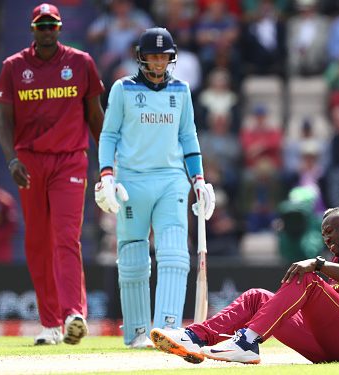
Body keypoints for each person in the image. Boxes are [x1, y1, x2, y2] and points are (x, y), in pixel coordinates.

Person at [94, 27, 216, 348]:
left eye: (164, 57)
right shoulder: (122, 89)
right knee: (133, 259)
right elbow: (109, 135)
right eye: (153, 56)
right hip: (131, 180)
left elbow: (188, 138)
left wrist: (199, 181)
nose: (159, 63)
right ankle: (136, 332)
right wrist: (107, 175)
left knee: (175, 254)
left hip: (171, 180)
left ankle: (167, 329)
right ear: (141, 57)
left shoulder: (182, 91)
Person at [151, 207, 339, 364]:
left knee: (309, 278)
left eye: (330, 232)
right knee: (257, 297)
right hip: (332, 348)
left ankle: (247, 343)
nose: (327, 239)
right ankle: (194, 336)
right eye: (324, 235)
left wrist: (318, 264)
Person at [0, 3, 105, 346]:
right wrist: (12, 160)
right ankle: (50, 324)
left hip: (70, 159)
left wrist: (112, 162)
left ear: (60, 28)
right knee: (37, 241)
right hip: (30, 161)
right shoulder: (13, 67)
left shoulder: (81, 62)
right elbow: (4, 121)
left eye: (51, 26)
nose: (46, 31)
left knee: (65, 236)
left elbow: (95, 115)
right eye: (41, 26)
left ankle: (74, 314)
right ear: (32, 29)